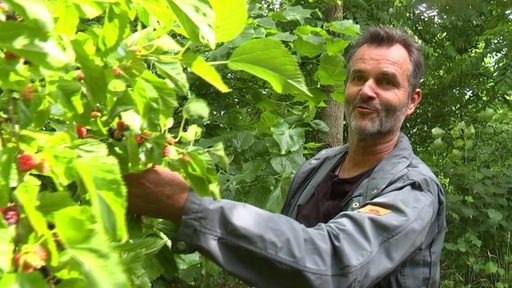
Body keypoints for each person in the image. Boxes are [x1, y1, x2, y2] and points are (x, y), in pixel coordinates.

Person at [123, 26, 446, 287]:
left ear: (412, 100)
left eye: (386, 82)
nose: (367, 90)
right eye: (358, 77)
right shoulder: (317, 168)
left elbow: (334, 264)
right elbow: (281, 261)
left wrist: (187, 208)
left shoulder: (413, 189)